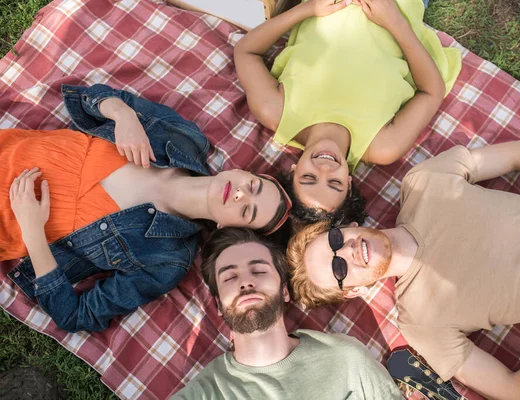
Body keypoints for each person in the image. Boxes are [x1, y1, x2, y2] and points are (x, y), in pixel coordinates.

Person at [287, 139, 520, 399]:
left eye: (336, 238)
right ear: (353, 291)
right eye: (339, 266)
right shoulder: (421, 324)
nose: (347, 250)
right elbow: (516, 391)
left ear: (349, 226)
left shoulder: (423, 182)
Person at [2, 84, 292, 332]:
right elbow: (93, 96)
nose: (241, 194)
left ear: (228, 228)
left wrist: (33, 233)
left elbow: (76, 315)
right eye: (253, 186)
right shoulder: (184, 138)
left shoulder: (166, 260)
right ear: (242, 172)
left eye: (247, 211)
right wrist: (122, 113)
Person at [234, 0, 462, 225]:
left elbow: (246, 51)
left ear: (293, 171)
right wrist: (396, 23)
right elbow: (431, 92)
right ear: (349, 183)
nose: (325, 169)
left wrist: (308, 9)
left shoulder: (275, 110)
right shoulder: (382, 145)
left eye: (309, 178)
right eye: (335, 183)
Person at [170, 227, 402, 400]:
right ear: (219, 305)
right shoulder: (205, 394)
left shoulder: (346, 359)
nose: (246, 282)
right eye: (230, 277)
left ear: (285, 291)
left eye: (259, 270)